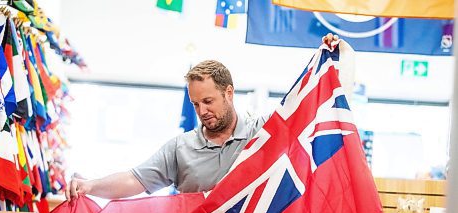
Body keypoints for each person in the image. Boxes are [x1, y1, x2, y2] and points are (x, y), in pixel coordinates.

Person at [66, 34, 339, 202]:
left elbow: (304, 107)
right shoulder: (180, 148)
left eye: (208, 101)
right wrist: (90, 185)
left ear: (228, 93)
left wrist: (326, 59)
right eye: (196, 104)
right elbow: (134, 180)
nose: (202, 111)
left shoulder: (263, 131)